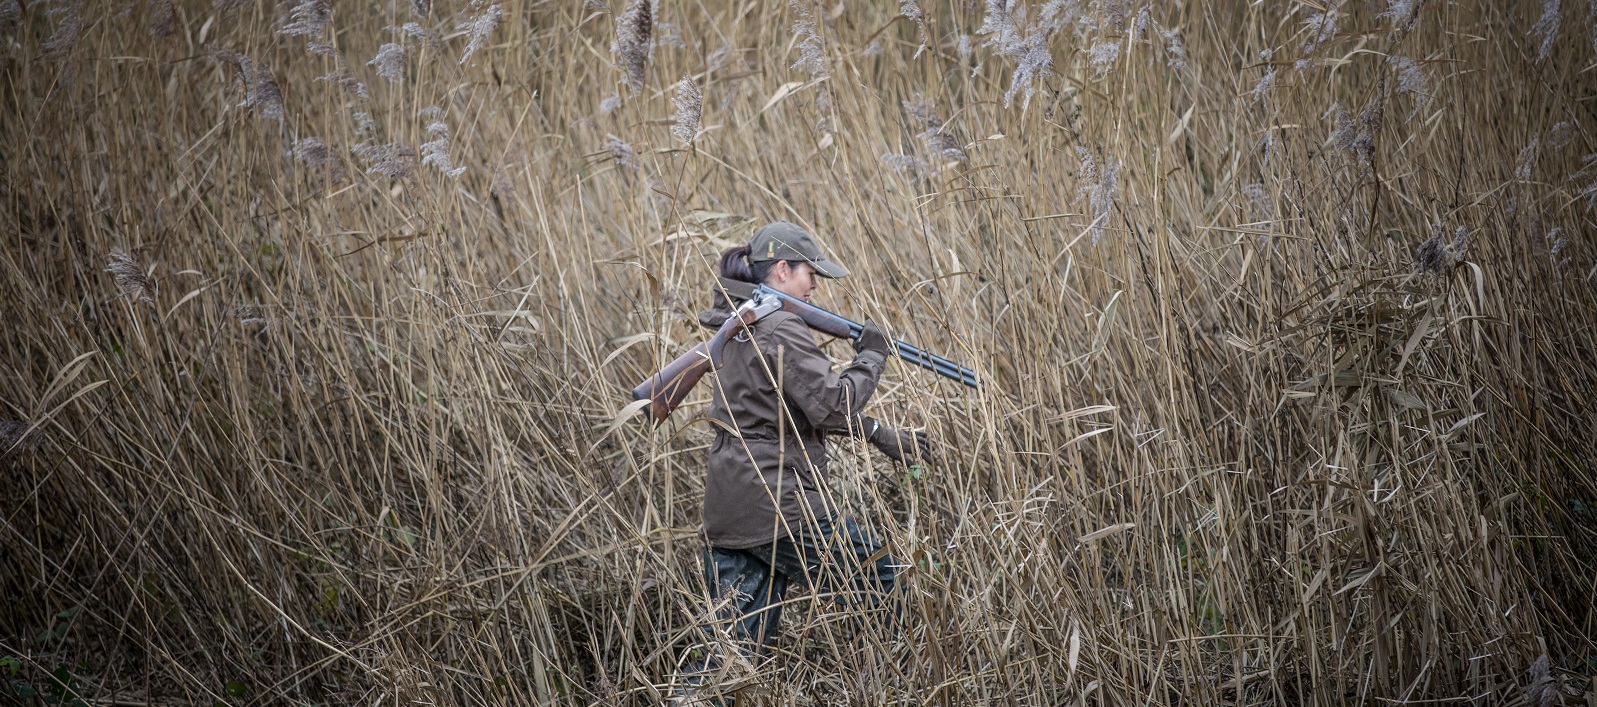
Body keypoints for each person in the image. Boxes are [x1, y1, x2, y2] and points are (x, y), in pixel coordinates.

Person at [678, 220, 929, 699]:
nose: (815, 285)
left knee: (727, 658)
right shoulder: (777, 324)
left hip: (732, 508)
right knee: (883, 579)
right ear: (780, 271)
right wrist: (871, 357)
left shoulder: (738, 321)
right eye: (808, 273)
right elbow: (832, 404)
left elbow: (791, 413)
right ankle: (876, 692)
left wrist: (878, 433)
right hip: (781, 506)